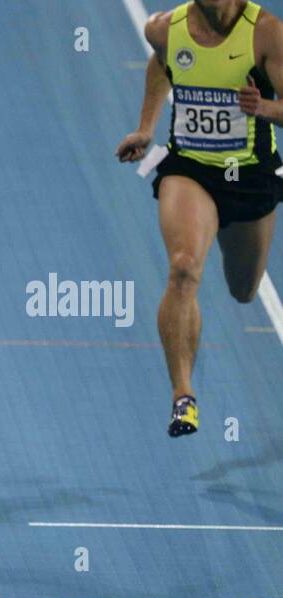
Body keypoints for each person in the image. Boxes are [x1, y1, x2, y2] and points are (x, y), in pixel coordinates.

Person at [117, 0, 283, 437]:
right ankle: (183, 397)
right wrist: (146, 126)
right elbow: (163, 65)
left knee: (244, 289)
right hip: (189, 168)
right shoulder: (165, 28)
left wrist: (264, 108)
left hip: (250, 176)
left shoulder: (265, 33)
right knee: (184, 267)